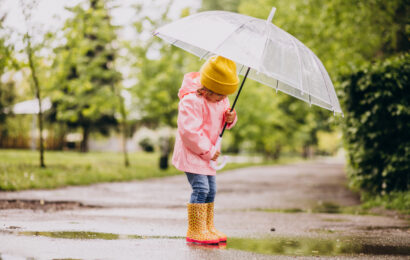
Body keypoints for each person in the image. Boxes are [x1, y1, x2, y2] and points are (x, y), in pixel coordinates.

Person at [172, 55, 239, 245]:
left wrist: (231, 118)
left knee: (212, 190)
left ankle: (207, 226)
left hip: (208, 155)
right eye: (220, 94)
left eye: (226, 96)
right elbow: (189, 132)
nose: (223, 99)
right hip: (193, 153)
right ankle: (195, 229)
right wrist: (208, 151)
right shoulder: (190, 102)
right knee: (201, 189)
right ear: (207, 88)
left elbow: (224, 124)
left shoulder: (221, 101)